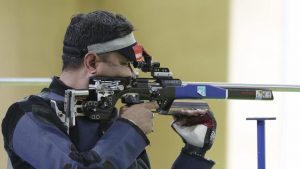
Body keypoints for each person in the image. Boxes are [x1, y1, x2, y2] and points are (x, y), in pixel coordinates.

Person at [2, 10, 217, 169]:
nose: (132, 74)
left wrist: (193, 152)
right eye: (125, 63)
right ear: (92, 63)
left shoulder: (110, 122)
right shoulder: (26, 116)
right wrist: (130, 128)